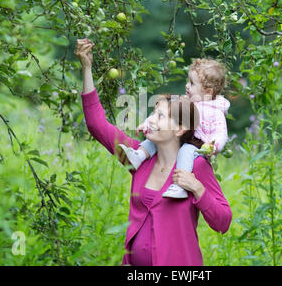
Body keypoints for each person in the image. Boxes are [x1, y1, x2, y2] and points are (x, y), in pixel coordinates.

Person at [75, 38, 232, 266]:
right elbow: (97, 125)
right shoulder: (139, 158)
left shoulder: (195, 166)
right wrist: (86, 68)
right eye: (153, 114)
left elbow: (223, 222)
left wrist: (197, 188)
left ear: (179, 129)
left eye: (160, 116)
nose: (151, 121)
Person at [119, 58, 230, 198]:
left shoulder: (215, 111)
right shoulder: (187, 100)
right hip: (181, 138)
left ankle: (179, 186)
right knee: (160, 135)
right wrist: (147, 124)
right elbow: (163, 113)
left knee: (185, 151)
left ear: (207, 91)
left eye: (192, 83)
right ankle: (139, 156)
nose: (187, 86)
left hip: (197, 146)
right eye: (188, 81)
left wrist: (214, 146)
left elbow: (221, 134)